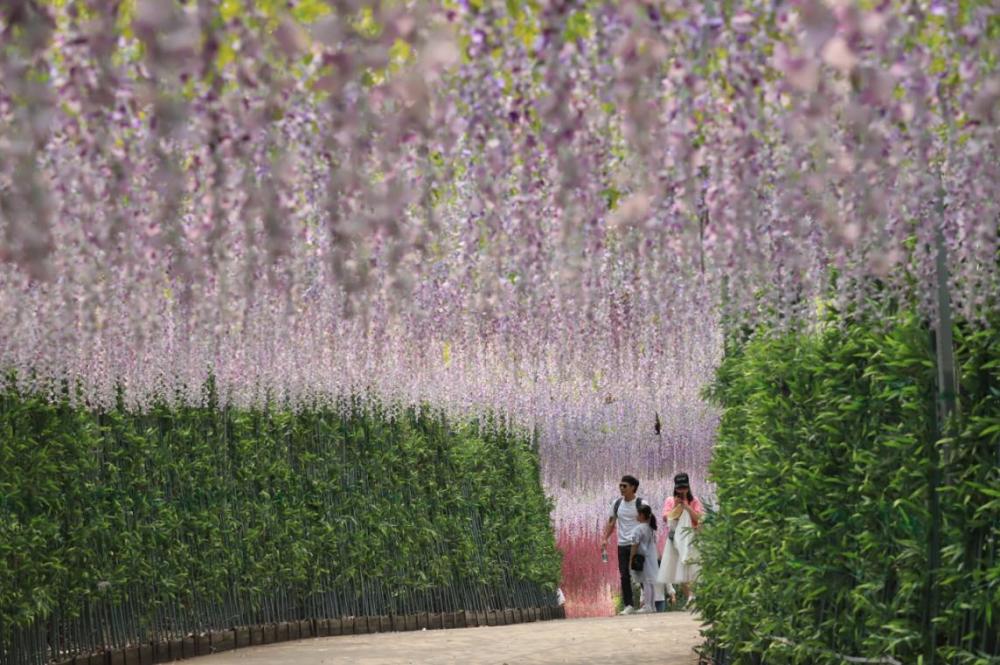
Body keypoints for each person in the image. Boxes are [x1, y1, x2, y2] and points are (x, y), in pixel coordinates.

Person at [657, 472, 704, 605]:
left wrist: (687, 507)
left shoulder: (694, 501)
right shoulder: (670, 500)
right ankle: (690, 597)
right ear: (675, 488)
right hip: (676, 541)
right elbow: (666, 518)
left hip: (692, 538)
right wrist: (676, 506)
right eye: (679, 488)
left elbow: (698, 519)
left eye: (684, 487)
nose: (682, 490)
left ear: (688, 487)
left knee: (693, 567)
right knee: (680, 568)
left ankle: (694, 597)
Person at [601, 474, 645, 615]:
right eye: (620, 485)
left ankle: (648, 603)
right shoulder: (617, 503)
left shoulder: (642, 504)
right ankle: (629, 605)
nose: (621, 488)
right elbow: (611, 522)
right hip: (622, 544)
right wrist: (604, 539)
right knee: (624, 575)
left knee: (641, 573)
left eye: (624, 486)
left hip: (637, 544)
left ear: (633, 487)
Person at [628, 503, 660, 614]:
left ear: (642, 515)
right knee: (650, 582)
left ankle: (647, 606)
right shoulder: (651, 528)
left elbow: (634, 545)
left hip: (643, 558)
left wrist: (631, 558)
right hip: (651, 557)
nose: (636, 516)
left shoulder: (638, 529)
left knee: (646, 581)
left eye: (637, 514)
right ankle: (652, 606)